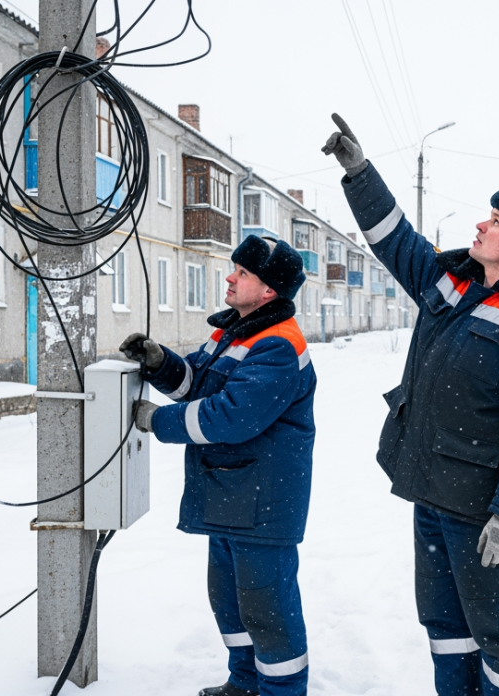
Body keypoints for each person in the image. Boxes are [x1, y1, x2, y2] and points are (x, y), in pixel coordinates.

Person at [321, 114, 499, 696]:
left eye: (497, 220)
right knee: (444, 627)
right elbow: (396, 241)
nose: (481, 224)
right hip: (430, 492)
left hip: (481, 513)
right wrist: (360, 175)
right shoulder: (453, 281)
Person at [121, 236, 316, 696]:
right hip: (232, 494)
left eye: (242, 272)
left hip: (262, 503)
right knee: (230, 604)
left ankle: (283, 692)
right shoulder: (234, 332)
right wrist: (161, 363)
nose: (230, 277)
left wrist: (157, 421)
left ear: (268, 290)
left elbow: (230, 416)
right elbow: (197, 383)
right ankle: (245, 682)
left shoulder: (277, 345)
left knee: (267, 611)